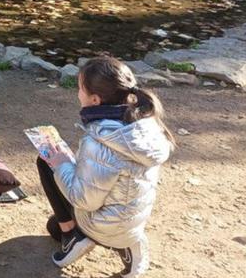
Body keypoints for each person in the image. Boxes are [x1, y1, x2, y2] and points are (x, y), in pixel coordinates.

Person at [38, 56, 174, 277]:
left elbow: (84, 200)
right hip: (132, 222)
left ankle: (75, 237)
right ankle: (129, 245)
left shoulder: (100, 141)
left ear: (94, 100)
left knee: (46, 162)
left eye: (80, 88)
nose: (77, 93)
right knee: (54, 224)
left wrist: (60, 163)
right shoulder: (145, 125)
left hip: (102, 225)